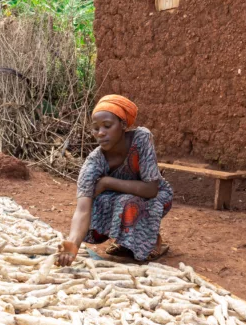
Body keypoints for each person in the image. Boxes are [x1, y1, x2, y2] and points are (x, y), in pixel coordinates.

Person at [56, 95, 173, 267]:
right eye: (95, 129)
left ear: (124, 125)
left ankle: (153, 240)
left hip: (156, 197)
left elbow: (151, 189)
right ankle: (125, 242)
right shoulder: (93, 163)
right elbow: (82, 209)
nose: (100, 133)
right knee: (99, 202)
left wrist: (107, 182)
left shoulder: (141, 139)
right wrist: (72, 243)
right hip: (120, 200)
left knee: (127, 201)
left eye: (107, 126)